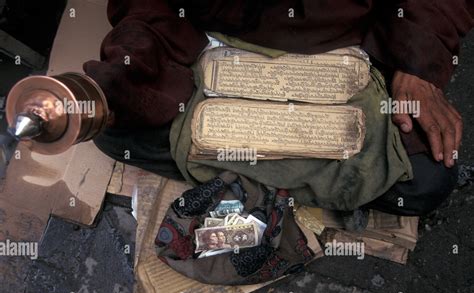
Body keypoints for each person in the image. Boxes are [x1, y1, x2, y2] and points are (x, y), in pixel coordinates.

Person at [84, 0, 474, 217]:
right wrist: (132, 61)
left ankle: (247, 176)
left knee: (427, 180)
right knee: (110, 126)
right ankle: (282, 179)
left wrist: (417, 64)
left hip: (350, 47)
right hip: (210, 46)